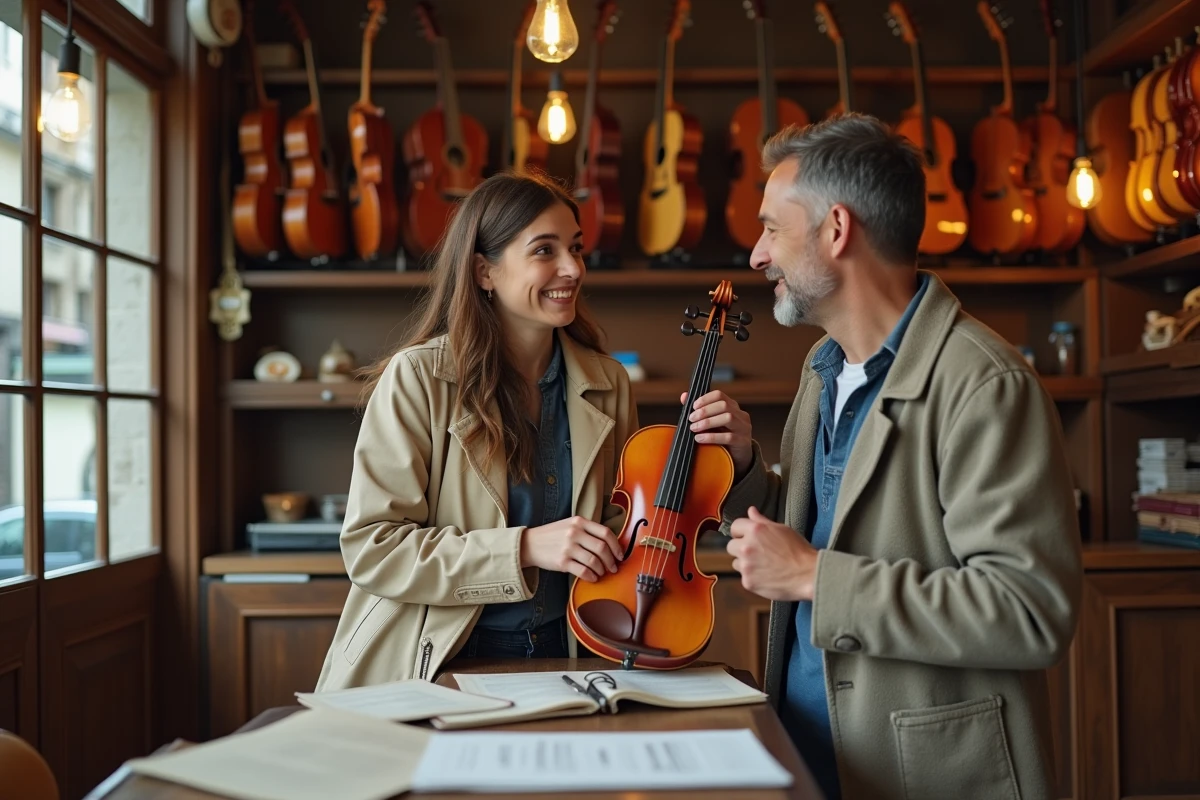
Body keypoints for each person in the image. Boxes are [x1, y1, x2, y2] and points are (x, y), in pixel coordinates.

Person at [686, 114, 1083, 799]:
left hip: (926, 772)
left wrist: (815, 576)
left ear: (836, 231)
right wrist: (750, 471)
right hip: (809, 753)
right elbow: (837, 532)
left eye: (772, 230)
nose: (756, 255)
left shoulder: (984, 384)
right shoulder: (824, 366)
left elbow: (1029, 611)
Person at [315, 172, 638, 691]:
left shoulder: (610, 382)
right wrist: (525, 547)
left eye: (576, 248)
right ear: (485, 271)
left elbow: (623, 526)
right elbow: (373, 548)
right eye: (544, 250)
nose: (573, 268)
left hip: (577, 654)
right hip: (439, 658)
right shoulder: (417, 377)